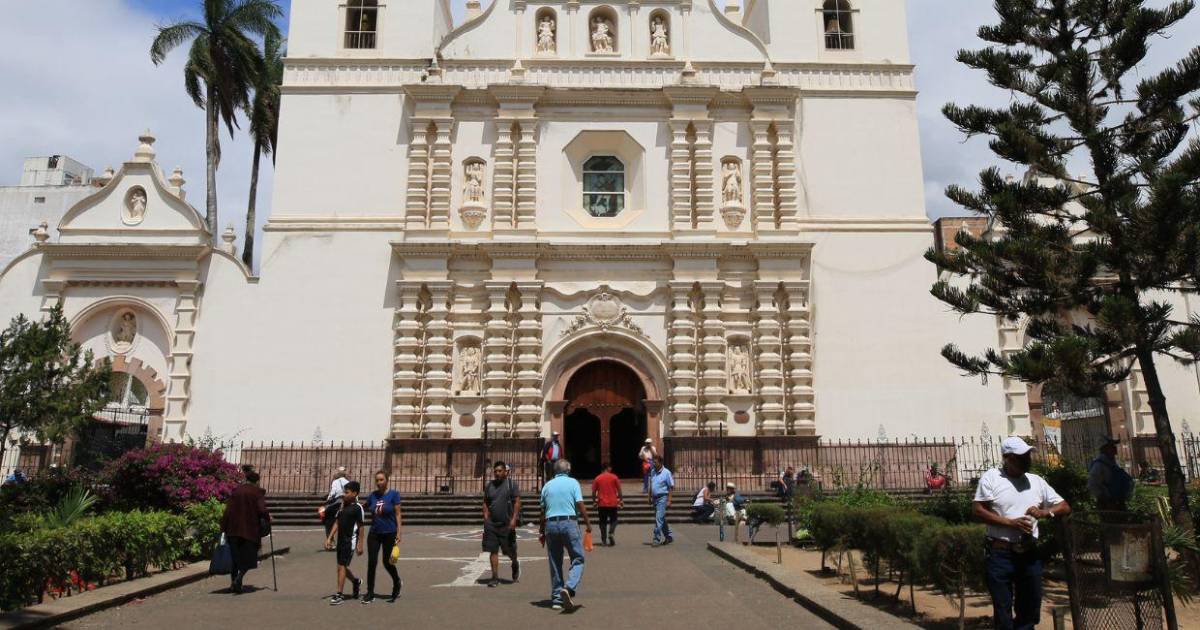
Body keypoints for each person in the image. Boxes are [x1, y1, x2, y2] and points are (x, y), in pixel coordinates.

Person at [973, 436, 1071, 630]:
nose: (1027, 460)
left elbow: (1065, 506)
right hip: (1000, 554)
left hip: (1028, 554)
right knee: (1003, 612)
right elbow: (977, 511)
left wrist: (1045, 512)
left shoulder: (1036, 481)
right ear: (1007, 458)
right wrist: (1011, 523)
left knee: (1029, 610)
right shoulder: (992, 478)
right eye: (1021, 457)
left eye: (1027, 455)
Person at [539, 459, 592, 612]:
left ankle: (556, 599)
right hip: (569, 522)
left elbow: (542, 511)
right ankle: (568, 588)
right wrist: (588, 523)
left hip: (550, 524)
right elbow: (580, 504)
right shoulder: (573, 483)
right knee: (578, 558)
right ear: (568, 470)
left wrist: (541, 530)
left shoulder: (547, 485)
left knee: (555, 561)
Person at [220, 467, 270, 594]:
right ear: (257, 481)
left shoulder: (237, 491)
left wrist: (223, 527)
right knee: (249, 557)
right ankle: (239, 577)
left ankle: (234, 583)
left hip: (233, 529)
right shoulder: (257, 492)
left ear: (246, 480)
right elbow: (262, 510)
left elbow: (228, 510)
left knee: (235, 558)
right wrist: (268, 518)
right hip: (250, 530)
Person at [362, 470, 402, 603]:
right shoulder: (373, 495)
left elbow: (398, 514)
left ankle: (396, 581)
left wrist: (399, 532)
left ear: (387, 480)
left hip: (389, 532)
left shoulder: (394, 495)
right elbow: (364, 506)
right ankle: (370, 592)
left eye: (381, 480)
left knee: (387, 562)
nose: (379, 482)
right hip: (374, 533)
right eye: (377, 480)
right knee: (372, 562)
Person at [325, 481, 365, 606]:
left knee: (341, 567)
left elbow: (361, 527)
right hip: (341, 540)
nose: (344, 494)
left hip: (350, 541)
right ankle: (355, 581)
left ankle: (339, 594)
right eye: (344, 492)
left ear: (355, 493)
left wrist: (360, 544)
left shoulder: (358, 508)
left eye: (347, 492)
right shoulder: (343, 506)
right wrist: (329, 538)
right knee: (341, 566)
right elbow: (337, 522)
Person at [483, 461, 522, 587]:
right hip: (492, 524)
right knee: (493, 551)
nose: (497, 473)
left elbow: (517, 502)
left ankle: (514, 562)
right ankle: (494, 577)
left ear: (505, 472)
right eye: (495, 471)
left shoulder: (511, 485)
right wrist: (486, 517)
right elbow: (485, 502)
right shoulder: (489, 486)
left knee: (509, 551)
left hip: (507, 524)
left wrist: (514, 519)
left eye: (500, 471)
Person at [1088, 437, 1134, 512]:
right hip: (1108, 504)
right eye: (1111, 446)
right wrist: (1104, 499)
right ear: (1104, 449)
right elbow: (1092, 484)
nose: (1115, 449)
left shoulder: (1112, 463)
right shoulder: (1099, 465)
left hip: (1118, 503)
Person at [592, 463, 623, 546]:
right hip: (613, 502)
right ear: (608, 468)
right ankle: (611, 532)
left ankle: (603, 540)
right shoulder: (614, 477)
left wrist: (594, 501)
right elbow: (619, 490)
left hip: (601, 503)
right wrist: (621, 500)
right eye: (610, 467)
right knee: (614, 520)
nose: (611, 469)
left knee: (602, 522)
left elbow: (594, 492)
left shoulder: (597, 478)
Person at [648, 457, 675, 546]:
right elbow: (651, 484)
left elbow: (670, 487)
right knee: (661, 518)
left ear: (660, 463)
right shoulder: (653, 472)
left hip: (662, 498)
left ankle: (656, 539)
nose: (653, 464)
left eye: (655, 462)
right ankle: (669, 536)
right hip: (654, 498)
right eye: (653, 462)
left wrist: (669, 500)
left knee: (658, 519)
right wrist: (649, 497)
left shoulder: (666, 473)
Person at [322, 467, 350, 542]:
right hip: (346, 503)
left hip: (337, 503)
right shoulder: (348, 482)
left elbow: (333, 493)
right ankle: (345, 540)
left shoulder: (335, 482)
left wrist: (328, 500)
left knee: (328, 521)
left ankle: (330, 540)